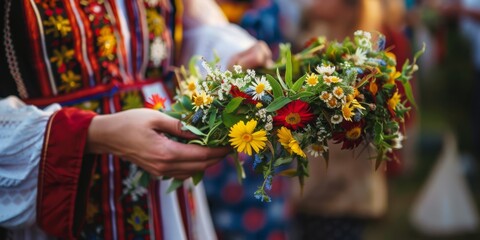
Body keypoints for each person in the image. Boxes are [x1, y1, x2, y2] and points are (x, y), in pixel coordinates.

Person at [0, 0, 272, 239]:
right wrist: (93, 134)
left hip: (164, 186)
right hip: (61, 183)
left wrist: (232, 54)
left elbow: (190, 20)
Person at [289, 0, 414, 239]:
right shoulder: (314, 40)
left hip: (344, 187)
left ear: (351, 5)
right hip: (315, 182)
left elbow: (391, 113)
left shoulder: (368, 54)